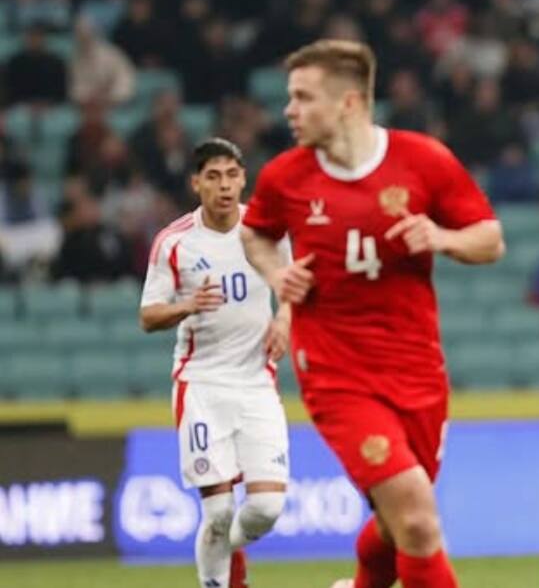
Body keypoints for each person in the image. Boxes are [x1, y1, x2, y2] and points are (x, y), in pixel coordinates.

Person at [239, 40, 504, 588]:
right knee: (416, 518)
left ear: (349, 103)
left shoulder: (422, 160)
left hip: (417, 368)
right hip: (336, 373)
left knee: (395, 518)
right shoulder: (285, 177)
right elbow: (255, 235)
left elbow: (491, 240)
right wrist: (274, 276)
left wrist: (442, 237)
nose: (288, 110)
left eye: (302, 97)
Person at [139, 138, 291, 588]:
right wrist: (186, 305)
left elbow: (297, 287)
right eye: (213, 176)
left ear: (243, 179)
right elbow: (148, 316)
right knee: (220, 510)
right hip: (201, 383)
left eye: (231, 175)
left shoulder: (267, 230)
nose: (224, 186)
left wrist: (284, 317)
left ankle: (227, 553)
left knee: (264, 510)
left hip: (257, 384)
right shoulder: (175, 242)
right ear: (196, 183)